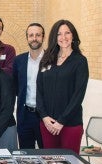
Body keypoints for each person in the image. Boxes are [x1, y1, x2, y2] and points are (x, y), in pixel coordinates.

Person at [36, 19, 89, 155]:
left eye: (67, 33)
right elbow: (39, 91)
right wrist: (44, 117)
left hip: (70, 124)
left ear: (73, 36)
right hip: (47, 123)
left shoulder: (80, 61)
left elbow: (78, 95)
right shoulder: (46, 59)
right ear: (55, 37)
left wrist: (61, 121)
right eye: (59, 34)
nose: (63, 37)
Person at [13, 23, 45, 149]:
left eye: (38, 35)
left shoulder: (51, 59)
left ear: (43, 37)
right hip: (24, 115)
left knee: (46, 154)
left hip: (45, 116)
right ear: (27, 38)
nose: (34, 38)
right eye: (31, 35)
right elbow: (15, 86)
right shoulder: (19, 60)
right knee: (26, 156)